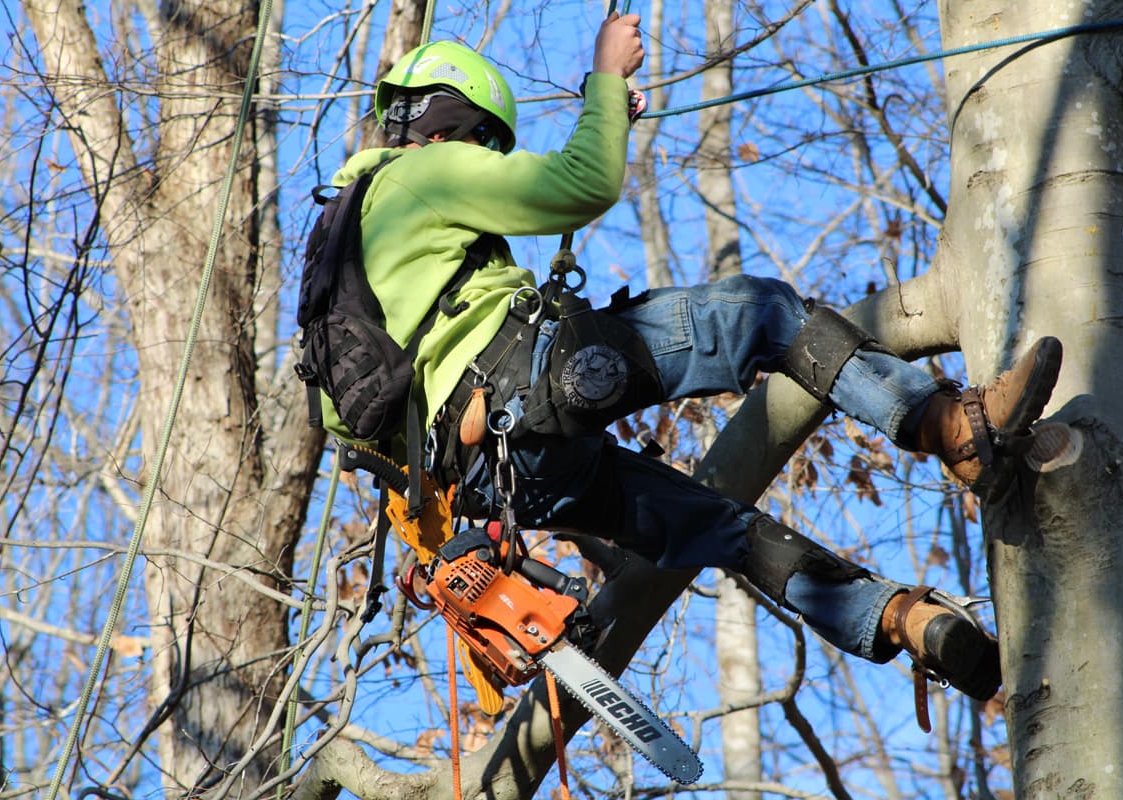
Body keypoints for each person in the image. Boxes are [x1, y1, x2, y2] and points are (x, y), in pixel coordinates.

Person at [319, 14, 1063, 705]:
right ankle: (948, 427)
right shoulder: (422, 171)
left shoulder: (336, 248)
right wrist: (606, 82)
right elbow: (582, 184)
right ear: (451, 120)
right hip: (527, 392)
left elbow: (353, 425)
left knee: (719, 529)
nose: (482, 159)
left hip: (487, 477)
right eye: (484, 142)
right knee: (761, 314)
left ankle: (902, 620)